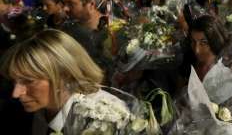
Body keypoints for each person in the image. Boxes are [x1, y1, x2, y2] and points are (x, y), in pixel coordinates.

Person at [0, 29, 140, 135]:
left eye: (29, 81)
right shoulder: (42, 110)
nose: (16, 93)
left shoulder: (105, 117)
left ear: (65, 75)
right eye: (15, 81)